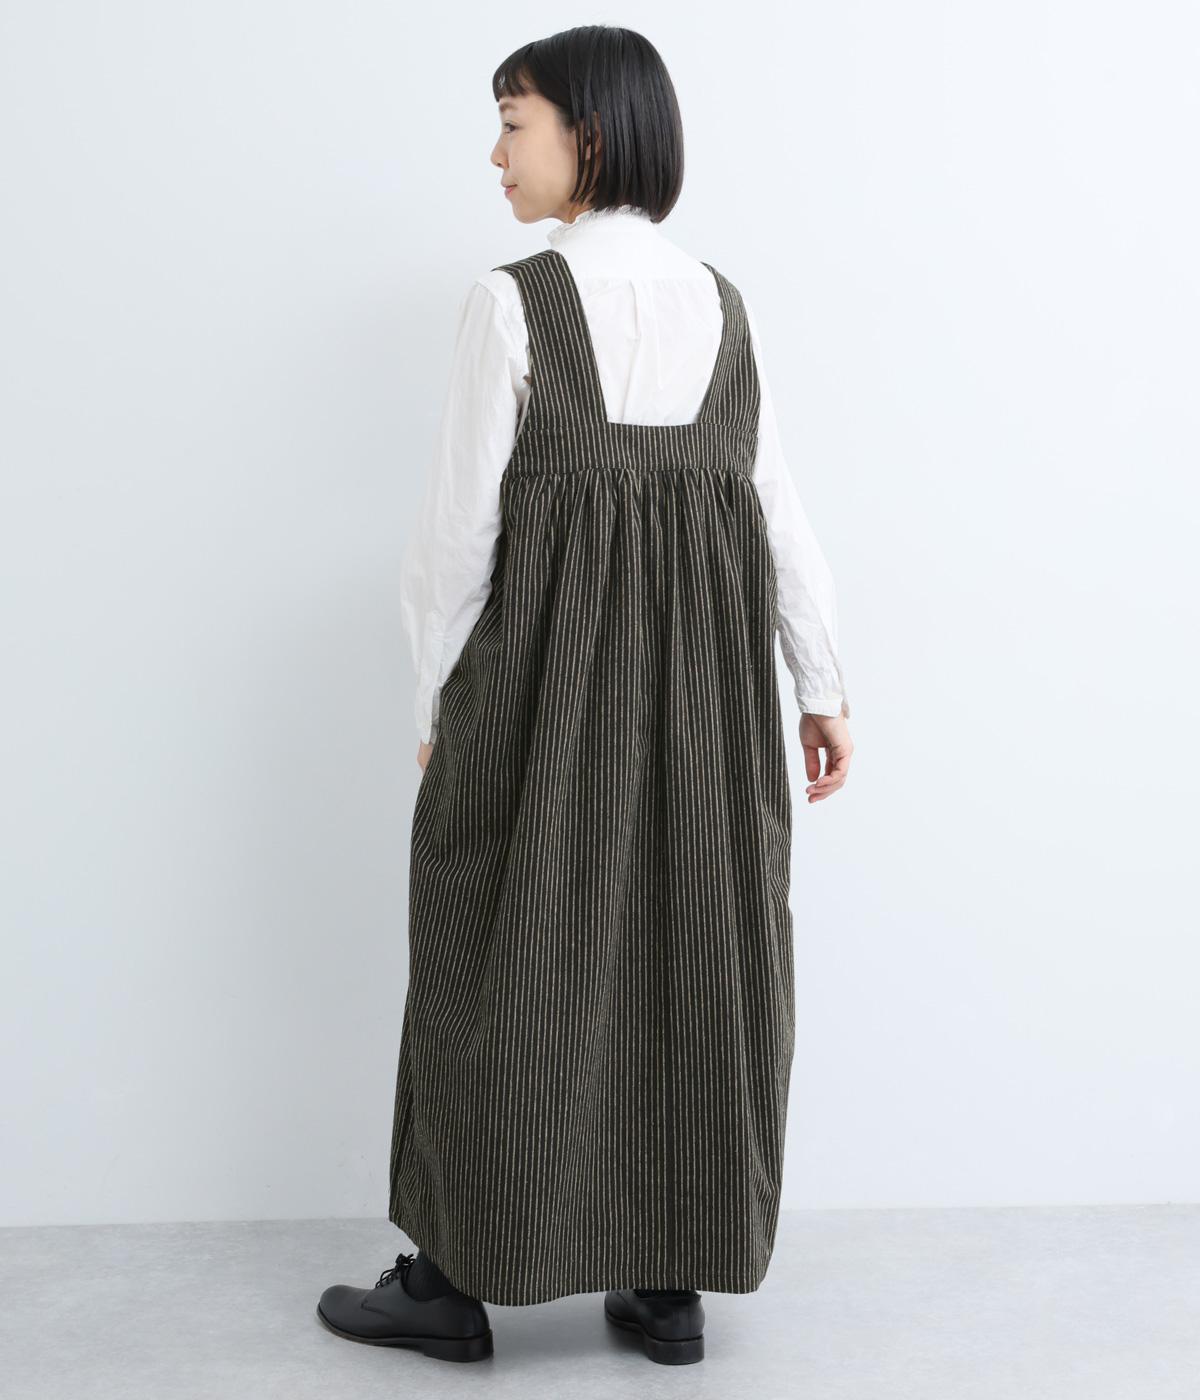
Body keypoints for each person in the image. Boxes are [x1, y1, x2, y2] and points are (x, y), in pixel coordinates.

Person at [316, 24, 854, 1367]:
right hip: (709, 704)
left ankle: (452, 1281)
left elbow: (456, 537)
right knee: (695, 948)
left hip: (540, 692)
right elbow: (773, 507)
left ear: (590, 136)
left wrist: (436, 702)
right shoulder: (722, 304)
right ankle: (667, 1282)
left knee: (495, 948)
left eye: (515, 121)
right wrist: (822, 680)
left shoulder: (513, 303)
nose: (496, 153)